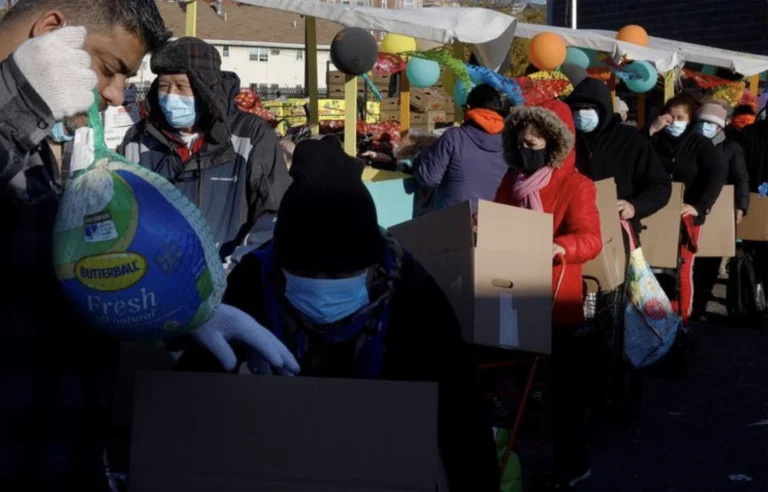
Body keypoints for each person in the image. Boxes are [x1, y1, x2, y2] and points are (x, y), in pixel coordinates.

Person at [0, 3, 299, 489]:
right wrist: (19, 101)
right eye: (112, 68)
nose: (119, 96)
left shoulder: (42, 136)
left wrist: (178, 308)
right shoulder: (19, 116)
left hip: (62, 446)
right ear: (52, 34)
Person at [176, 138, 500, 491]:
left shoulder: (411, 288)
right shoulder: (254, 278)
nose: (324, 287)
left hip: (382, 464)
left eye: (342, 276)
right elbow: (187, 399)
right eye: (310, 276)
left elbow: (461, 410)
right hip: (276, 460)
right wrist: (193, 325)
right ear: (282, 265)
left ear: (373, 266)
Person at [495, 99, 602, 491]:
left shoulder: (576, 184)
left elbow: (591, 239)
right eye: (522, 140)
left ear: (554, 143)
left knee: (563, 395)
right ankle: (510, 455)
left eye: (536, 141)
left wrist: (561, 247)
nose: (527, 148)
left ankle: (573, 464)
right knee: (518, 384)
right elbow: (499, 217)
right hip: (512, 293)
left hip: (558, 300)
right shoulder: (511, 179)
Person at [119, 37, 291, 260]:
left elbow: (274, 213)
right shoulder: (138, 138)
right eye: (164, 86)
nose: (171, 96)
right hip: (160, 278)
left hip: (231, 279)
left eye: (182, 87)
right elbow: (123, 210)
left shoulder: (249, 135)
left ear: (205, 89)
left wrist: (237, 267)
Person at [563, 65, 671, 241]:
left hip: (618, 231)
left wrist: (635, 206)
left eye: (589, 108)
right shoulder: (566, 140)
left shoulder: (632, 141)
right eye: (577, 109)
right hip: (572, 231)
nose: (582, 114)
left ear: (604, 109)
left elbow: (660, 186)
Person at [648, 95, 727, 323]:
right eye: (669, 117)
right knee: (649, 266)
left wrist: (699, 206)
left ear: (690, 119)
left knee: (683, 267)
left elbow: (717, 175)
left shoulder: (700, 143)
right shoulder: (657, 139)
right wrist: (651, 130)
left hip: (686, 216)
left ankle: (684, 318)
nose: (673, 122)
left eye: (680, 117)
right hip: (655, 212)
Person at [692, 101, 750, 319]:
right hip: (692, 205)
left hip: (718, 208)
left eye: (710, 123)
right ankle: (688, 301)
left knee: (710, 259)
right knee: (690, 257)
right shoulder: (691, 143)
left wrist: (741, 206)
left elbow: (741, 178)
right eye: (702, 122)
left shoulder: (730, 148)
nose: (705, 126)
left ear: (719, 126)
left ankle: (700, 303)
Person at [412, 83, 510, 212]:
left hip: (454, 220)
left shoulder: (455, 137)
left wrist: (417, 156)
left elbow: (429, 177)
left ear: (468, 108)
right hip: (491, 221)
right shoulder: (509, 144)